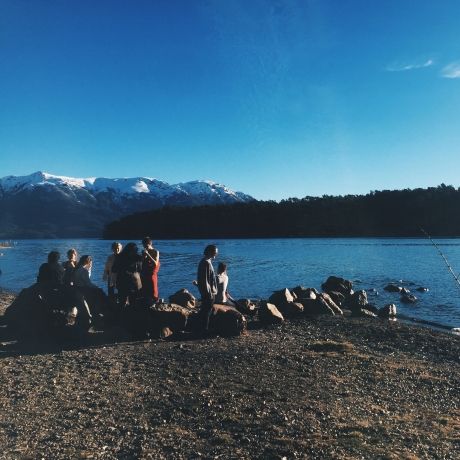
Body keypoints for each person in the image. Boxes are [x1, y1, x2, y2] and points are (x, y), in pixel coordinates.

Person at [112, 242, 143, 308]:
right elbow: (114, 270)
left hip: (127, 282)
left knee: (127, 301)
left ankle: (125, 314)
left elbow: (114, 269)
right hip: (131, 282)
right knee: (130, 301)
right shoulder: (138, 258)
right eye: (135, 249)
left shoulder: (120, 257)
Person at [197, 244, 218, 333]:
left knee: (206, 311)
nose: (216, 254)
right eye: (215, 252)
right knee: (206, 311)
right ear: (210, 252)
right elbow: (204, 279)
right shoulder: (205, 262)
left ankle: (203, 328)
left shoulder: (207, 262)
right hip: (208, 293)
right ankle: (204, 330)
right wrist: (208, 293)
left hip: (210, 292)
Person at [141, 237, 160, 304]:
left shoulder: (156, 251)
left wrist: (148, 254)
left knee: (153, 286)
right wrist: (144, 257)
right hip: (145, 272)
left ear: (150, 244)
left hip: (152, 272)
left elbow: (155, 263)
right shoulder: (144, 251)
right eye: (144, 245)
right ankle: (147, 300)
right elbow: (142, 263)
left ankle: (155, 300)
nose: (145, 247)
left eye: (146, 245)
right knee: (145, 287)